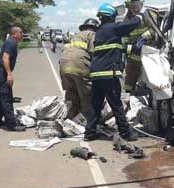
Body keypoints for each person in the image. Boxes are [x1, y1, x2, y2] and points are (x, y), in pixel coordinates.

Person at [84, 3, 143, 141]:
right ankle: (126, 134)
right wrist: (139, 15)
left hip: (96, 74)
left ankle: (89, 133)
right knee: (116, 105)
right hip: (108, 74)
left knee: (95, 105)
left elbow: (113, 48)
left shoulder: (101, 32)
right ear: (111, 16)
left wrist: (132, 48)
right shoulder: (113, 28)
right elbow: (130, 25)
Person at [59, 18, 99, 119]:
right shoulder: (92, 34)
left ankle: (69, 119)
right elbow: (94, 52)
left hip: (64, 65)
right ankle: (87, 122)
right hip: (79, 65)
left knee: (71, 94)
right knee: (86, 94)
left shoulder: (76, 36)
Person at [0, 25, 26, 132]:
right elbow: (5, 58)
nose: (22, 34)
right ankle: (11, 125)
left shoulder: (9, 42)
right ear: (15, 34)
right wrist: (9, 74)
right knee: (6, 98)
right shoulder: (11, 43)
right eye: (21, 32)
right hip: (1, 73)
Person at [122, 0, 157, 92]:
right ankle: (129, 94)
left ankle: (154, 93)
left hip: (148, 50)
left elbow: (155, 29)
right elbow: (125, 37)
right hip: (135, 52)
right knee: (130, 73)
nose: (136, 8)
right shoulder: (127, 20)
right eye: (132, 6)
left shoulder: (148, 15)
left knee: (152, 74)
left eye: (137, 5)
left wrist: (144, 37)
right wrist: (129, 48)